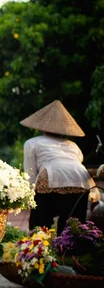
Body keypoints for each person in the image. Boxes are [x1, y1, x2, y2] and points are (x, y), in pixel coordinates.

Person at [21, 100, 96, 235]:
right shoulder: (73, 145)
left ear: (41, 126)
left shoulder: (32, 143)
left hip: (51, 177)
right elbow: (76, 164)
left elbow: (30, 174)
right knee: (72, 229)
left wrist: (29, 199)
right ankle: (71, 253)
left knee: (40, 226)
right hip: (80, 180)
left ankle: (39, 252)